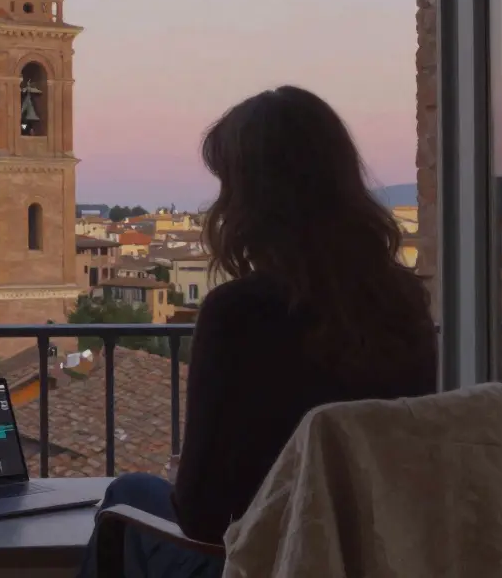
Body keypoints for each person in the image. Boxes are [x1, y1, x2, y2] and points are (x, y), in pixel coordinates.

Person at [77, 86, 438, 577]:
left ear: (252, 200)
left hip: (270, 564)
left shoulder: (239, 313)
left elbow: (202, 518)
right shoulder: (403, 301)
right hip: (374, 559)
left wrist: (187, 478)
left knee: (127, 495)